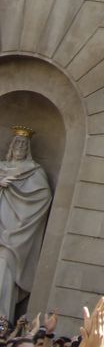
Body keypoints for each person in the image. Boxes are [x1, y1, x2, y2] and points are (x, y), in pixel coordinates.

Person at [0, 130, 53, 323]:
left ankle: (2, 320)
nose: (20, 148)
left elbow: (43, 196)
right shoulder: (1, 167)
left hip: (15, 235)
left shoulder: (34, 170)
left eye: (24, 145)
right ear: (11, 146)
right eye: (17, 144)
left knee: (4, 273)